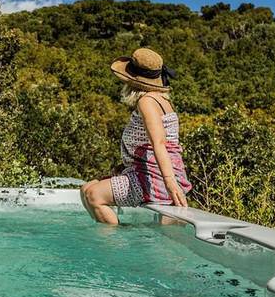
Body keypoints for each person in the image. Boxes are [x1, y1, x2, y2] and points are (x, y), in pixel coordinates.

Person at [80, 48, 192, 225]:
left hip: (157, 179)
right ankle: (113, 234)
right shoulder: (159, 100)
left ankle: (114, 244)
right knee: (86, 188)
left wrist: (170, 183)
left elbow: (159, 142)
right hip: (151, 172)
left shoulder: (146, 101)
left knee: (94, 196)